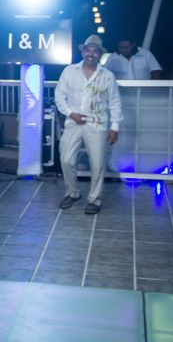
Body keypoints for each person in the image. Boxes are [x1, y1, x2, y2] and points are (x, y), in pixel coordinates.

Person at [55, 35, 122, 215]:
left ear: (99, 54)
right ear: (83, 51)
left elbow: (114, 102)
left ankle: (94, 199)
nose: (91, 53)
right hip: (73, 121)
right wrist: (70, 113)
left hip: (97, 123)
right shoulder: (69, 71)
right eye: (88, 50)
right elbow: (59, 95)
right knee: (66, 159)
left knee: (98, 163)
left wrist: (114, 128)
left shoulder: (107, 76)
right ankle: (73, 193)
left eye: (95, 50)